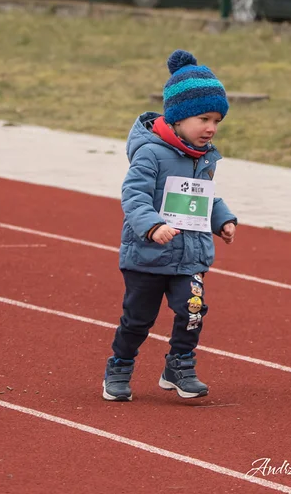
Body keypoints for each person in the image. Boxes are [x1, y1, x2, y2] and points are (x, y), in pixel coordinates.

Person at [103, 49, 237, 402]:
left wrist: (221, 219)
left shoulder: (204, 157)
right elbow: (134, 197)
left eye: (217, 121)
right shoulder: (150, 153)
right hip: (148, 255)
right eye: (203, 119)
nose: (210, 128)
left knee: (193, 309)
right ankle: (120, 365)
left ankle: (179, 365)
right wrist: (152, 226)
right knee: (137, 320)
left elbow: (203, 196)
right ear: (177, 118)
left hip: (189, 256)